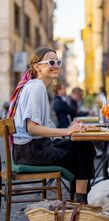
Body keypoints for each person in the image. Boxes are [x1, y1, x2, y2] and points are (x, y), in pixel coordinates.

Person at [8, 47, 95, 204]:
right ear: (37, 67)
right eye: (51, 62)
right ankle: (80, 204)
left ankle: (78, 201)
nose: (56, 65)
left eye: (58, 62)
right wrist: (67, 130)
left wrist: (70, 129)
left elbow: (40, 127)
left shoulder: (35, 86)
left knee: (82, 145)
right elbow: (32, 128)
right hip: (31, 151)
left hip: (31, 148)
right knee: (84, 151)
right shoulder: (36, 87)